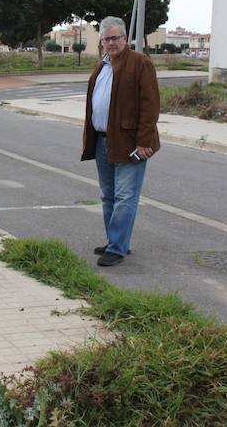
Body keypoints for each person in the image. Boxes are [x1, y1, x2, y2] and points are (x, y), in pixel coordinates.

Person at [81, 16, 160, 266]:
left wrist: (145, 141)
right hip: (103, 140)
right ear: (102, 42)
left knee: (125, 196)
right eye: (107, 39)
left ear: (125, 39)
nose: (112, 42)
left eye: (116, 38)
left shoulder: (140, 63)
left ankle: (117, 247)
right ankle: (115, 241)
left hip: (130, 143)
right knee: (108, 196)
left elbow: (150, 105)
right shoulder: (102, 66)